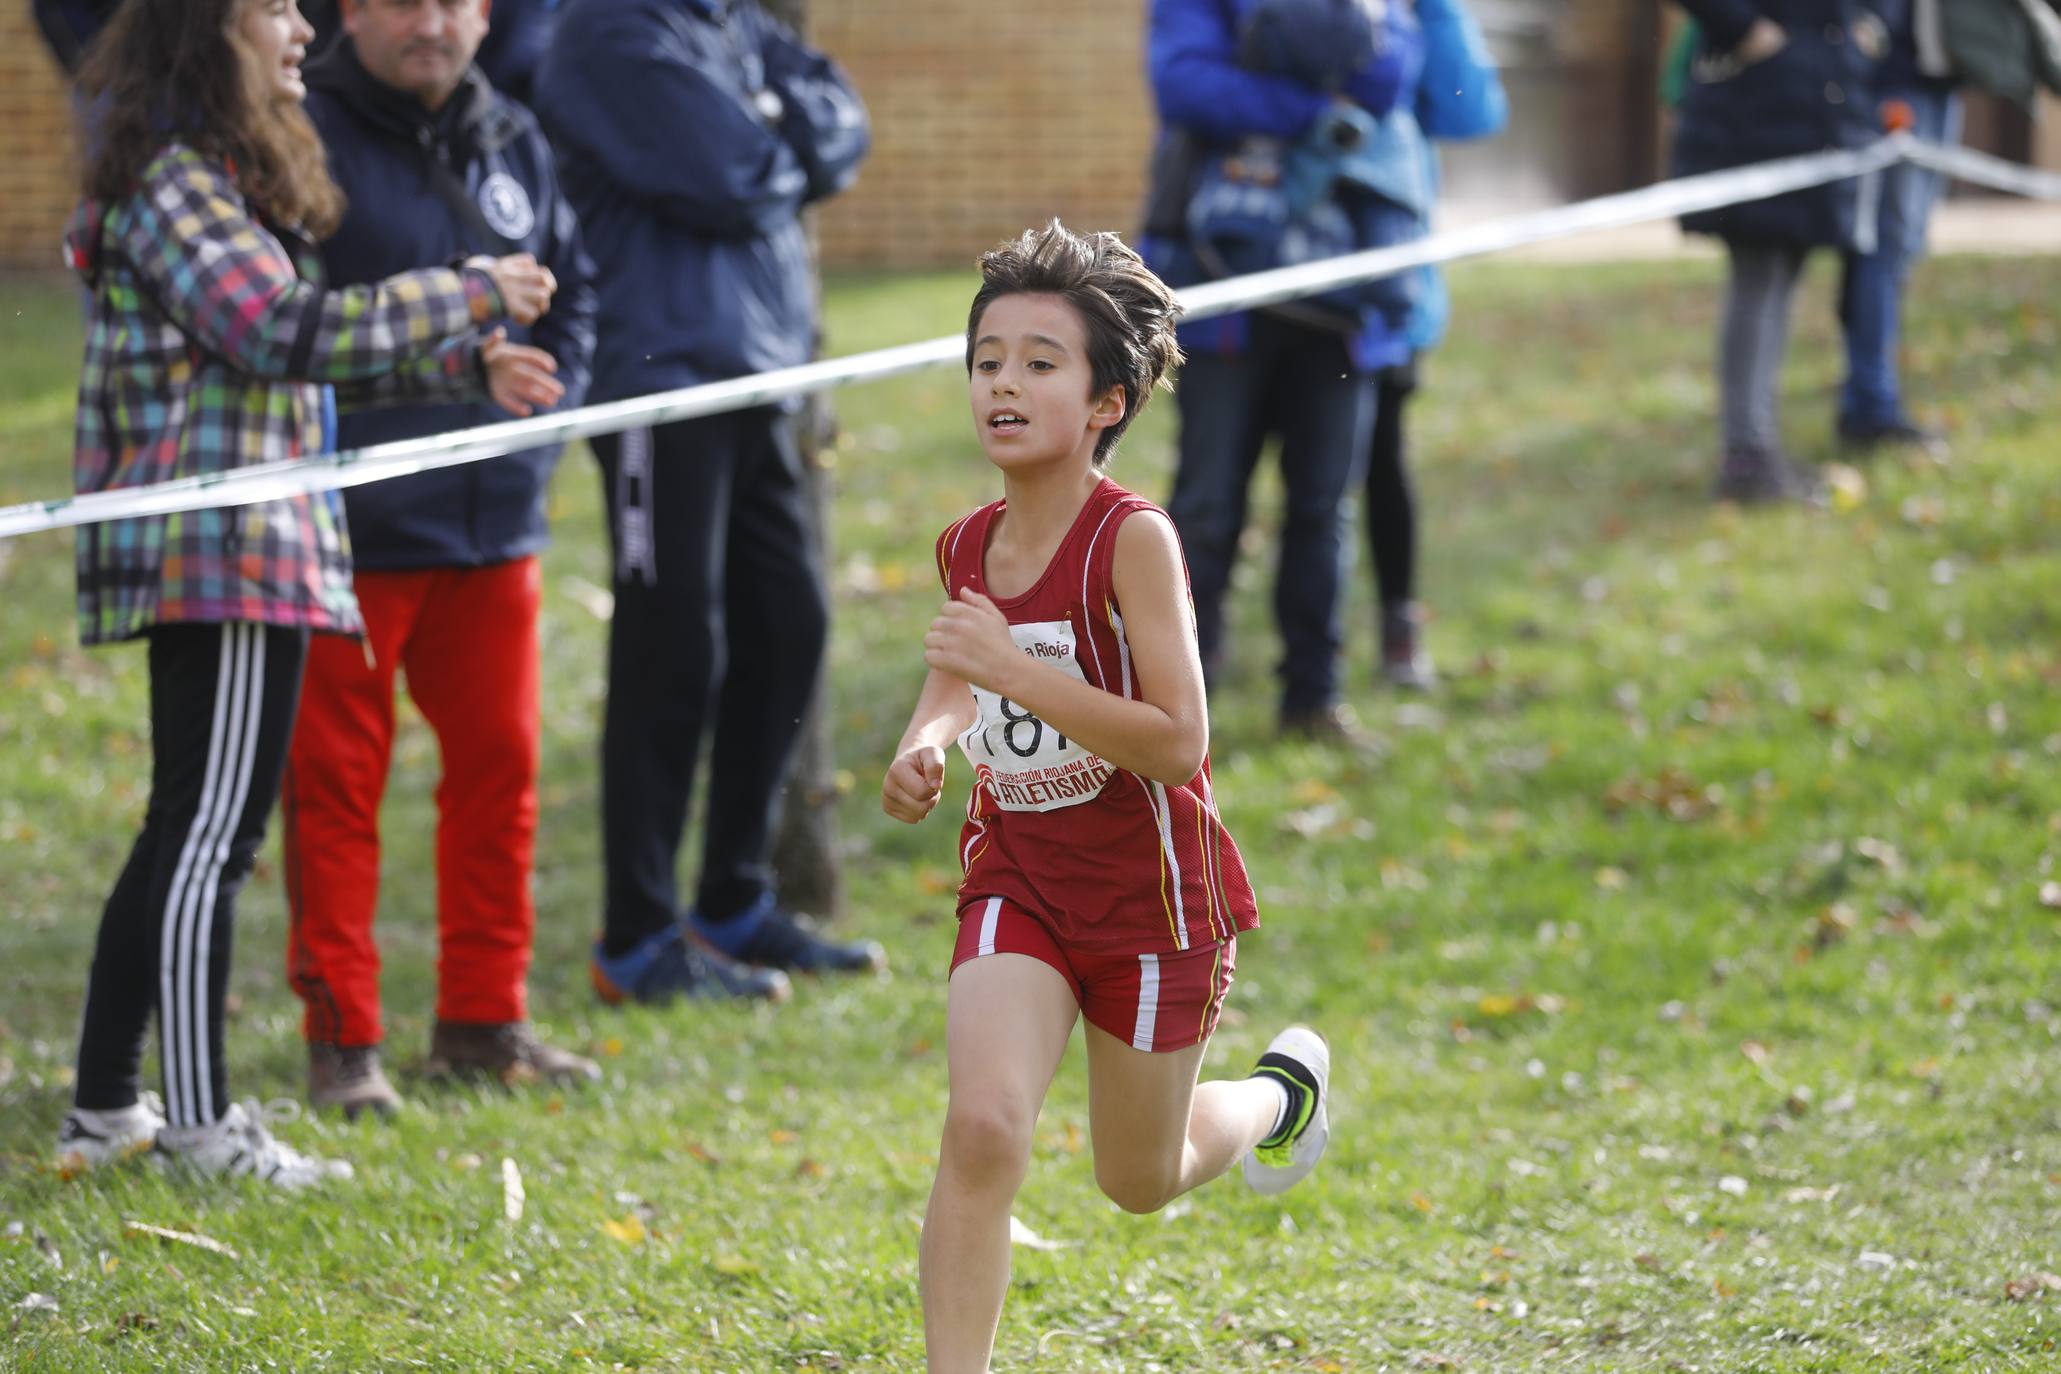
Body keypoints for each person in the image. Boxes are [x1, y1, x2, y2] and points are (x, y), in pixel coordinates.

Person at [56, 0, 557, 1185]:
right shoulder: (179, 180)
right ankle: (201, 1129)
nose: (299, 26)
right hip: (222, 555)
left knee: (179, 833)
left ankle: (105, 1108)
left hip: (247, 547)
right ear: (207, 32)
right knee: (207, 846)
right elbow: (280, 329)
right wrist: (470, 292)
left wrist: (456, 364)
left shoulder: (206, 174)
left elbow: (270, 379)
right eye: (275, 7)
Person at [883, 223, 1332, 1373]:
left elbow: (1180, 744)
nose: (1005, 383)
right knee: (982, 1130)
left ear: (1105, 401)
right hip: (1022, 879)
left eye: (1041, 362)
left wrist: (1022, 677)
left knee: (1139, 1180)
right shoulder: (967, 543)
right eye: (989, 359)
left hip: (1152, 903)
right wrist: (927, 740)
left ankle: (1278, 1097)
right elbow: (959, 659)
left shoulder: (1133, 540)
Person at [279, 0, 599, 1118]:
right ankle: (343, 1041)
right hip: (350, 530)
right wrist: (450, 378)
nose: (433, 22)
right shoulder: (295, 136)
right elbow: (284, 330)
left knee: (500, 778)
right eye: (403, 0)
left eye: (456, 1)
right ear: (349, 13)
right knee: (333, 790)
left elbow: (577, 299)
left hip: (493, 526)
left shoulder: (512, 132)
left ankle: (482, 1018)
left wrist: (538, 429)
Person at [538, 0, 884, 1006]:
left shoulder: (727, 22)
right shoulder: (607, 32)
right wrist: (777, 128)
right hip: (658, 378)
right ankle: (637, 938)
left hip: (756, 373)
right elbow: (731, 172)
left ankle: (735, 901)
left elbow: (843, 121)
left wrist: (766, 116)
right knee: (671, 647)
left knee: (790, 626)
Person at [1143, 0, 1422, 746]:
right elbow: (1186, 86)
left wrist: (1266, 91)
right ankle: (1177, 707)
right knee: (1203, 510)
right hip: (1220, 299)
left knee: (1323, 509)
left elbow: (1390, 73)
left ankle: (1312, 699)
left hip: (1339, 309)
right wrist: (1317, 104)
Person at [1667, 0, 1906, 503]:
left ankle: (1757, 447)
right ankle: (1747, 456)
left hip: (1815, 103)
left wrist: (1868, 25)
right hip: (1757, 108)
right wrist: (1746, 30)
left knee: (1780, 276)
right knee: (1759, 277)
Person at [1359, 0, 1507, 689]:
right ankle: (1204, 639)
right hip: (1279, 266)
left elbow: (1470, 109)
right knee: (1243, 471)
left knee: (1382, 454)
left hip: (1388, 281)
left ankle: (1397, 626)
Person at [1834, 0, 1960, 455]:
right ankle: (1871, 406)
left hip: (1942, 78)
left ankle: (1867, 395)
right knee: (1882, 249)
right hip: (1892, 82)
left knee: (1902, 247)